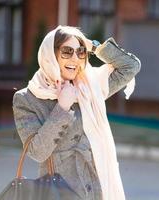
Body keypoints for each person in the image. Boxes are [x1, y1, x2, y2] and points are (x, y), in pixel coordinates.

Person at [12, 25, 141, 200]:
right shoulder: (26, 98)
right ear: (50, 55)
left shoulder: (90, 88)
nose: (75, 58)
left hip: (96, 190)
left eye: (80, 52)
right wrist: (62, 108)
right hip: (59, 192)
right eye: (67, 51)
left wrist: (92, 46)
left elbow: (130, 66)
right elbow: (37, 152)